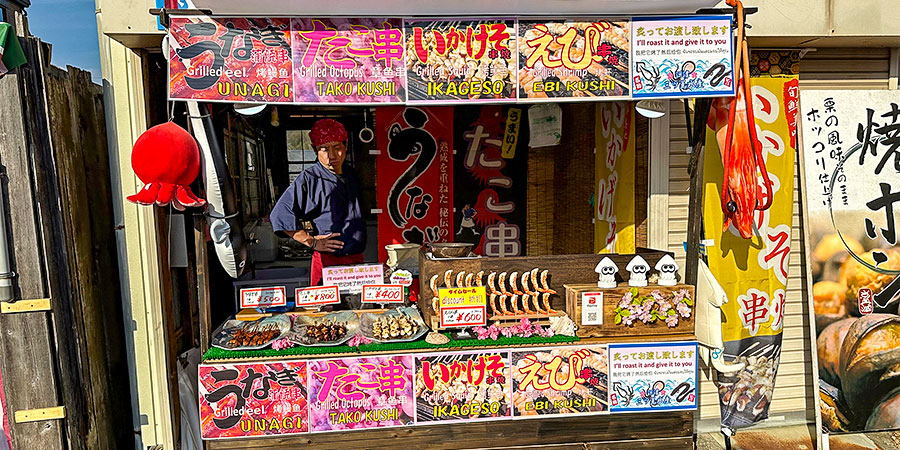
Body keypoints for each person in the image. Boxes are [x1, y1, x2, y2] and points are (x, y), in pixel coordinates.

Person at [270, 119, 366, 285]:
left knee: (357, 310)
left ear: (346, 145)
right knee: (324, 310)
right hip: (327, 260)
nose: (332, 156)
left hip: (356, 262)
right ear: (315, 150)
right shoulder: (309, 178)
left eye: (336, 148)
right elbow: (280, 214)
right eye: (324, 149)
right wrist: (312, 241)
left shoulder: (352, 175)